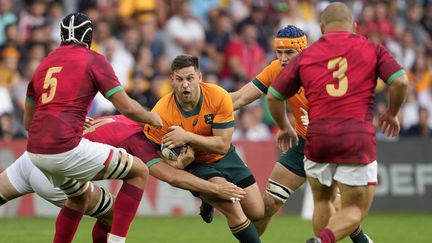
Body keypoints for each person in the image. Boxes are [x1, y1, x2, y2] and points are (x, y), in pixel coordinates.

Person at [267, 2, 408, 243]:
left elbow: (273, 96)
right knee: (355, 208)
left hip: (318, 137)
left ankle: (323, 239)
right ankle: (323, 240)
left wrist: (283, 127)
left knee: (322, 200)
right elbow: (401, 82)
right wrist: (392, 113)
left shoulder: (307, 55)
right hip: (356, 135)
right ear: (354, 26)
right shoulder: (372, 48)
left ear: (322, 28)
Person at [24, 12, 163, 243]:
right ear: (89, 36)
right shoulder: (93, 59)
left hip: (35, 152)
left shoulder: (44, 64)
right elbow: (126, 107)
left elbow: (28, 123)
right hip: (64, 148)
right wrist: (152, 118)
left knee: (78, 198)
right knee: (139, 171)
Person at [0, 114, 246, 243]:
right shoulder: (139, 141)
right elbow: (172, 178)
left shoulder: (127, 120)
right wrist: (214, 191)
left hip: (33, 156)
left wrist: (177, 163)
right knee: (114, 213)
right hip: (57, 173)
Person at [228, 24, 371, 243]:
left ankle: (360, 238)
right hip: (303, 144)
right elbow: (239, 98)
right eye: (279, 52)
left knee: (335, 211)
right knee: (266, 206)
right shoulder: (276, 69)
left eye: (289, 53)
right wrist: (206, 106)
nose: (283, 58)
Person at [144, 54, 264, 243]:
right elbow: (157, 156)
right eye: (180, 79)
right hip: (197, 163)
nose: (185, 85)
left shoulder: (218, 96)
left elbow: (222, 145)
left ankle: (207, 200)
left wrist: (186, 136)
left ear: (199, 78)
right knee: (232, 207)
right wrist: (178, 163)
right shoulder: (161, 113)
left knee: (257, 212)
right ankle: (209, 194)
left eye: (190, 78)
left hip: (224, 156)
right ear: (172, 80)